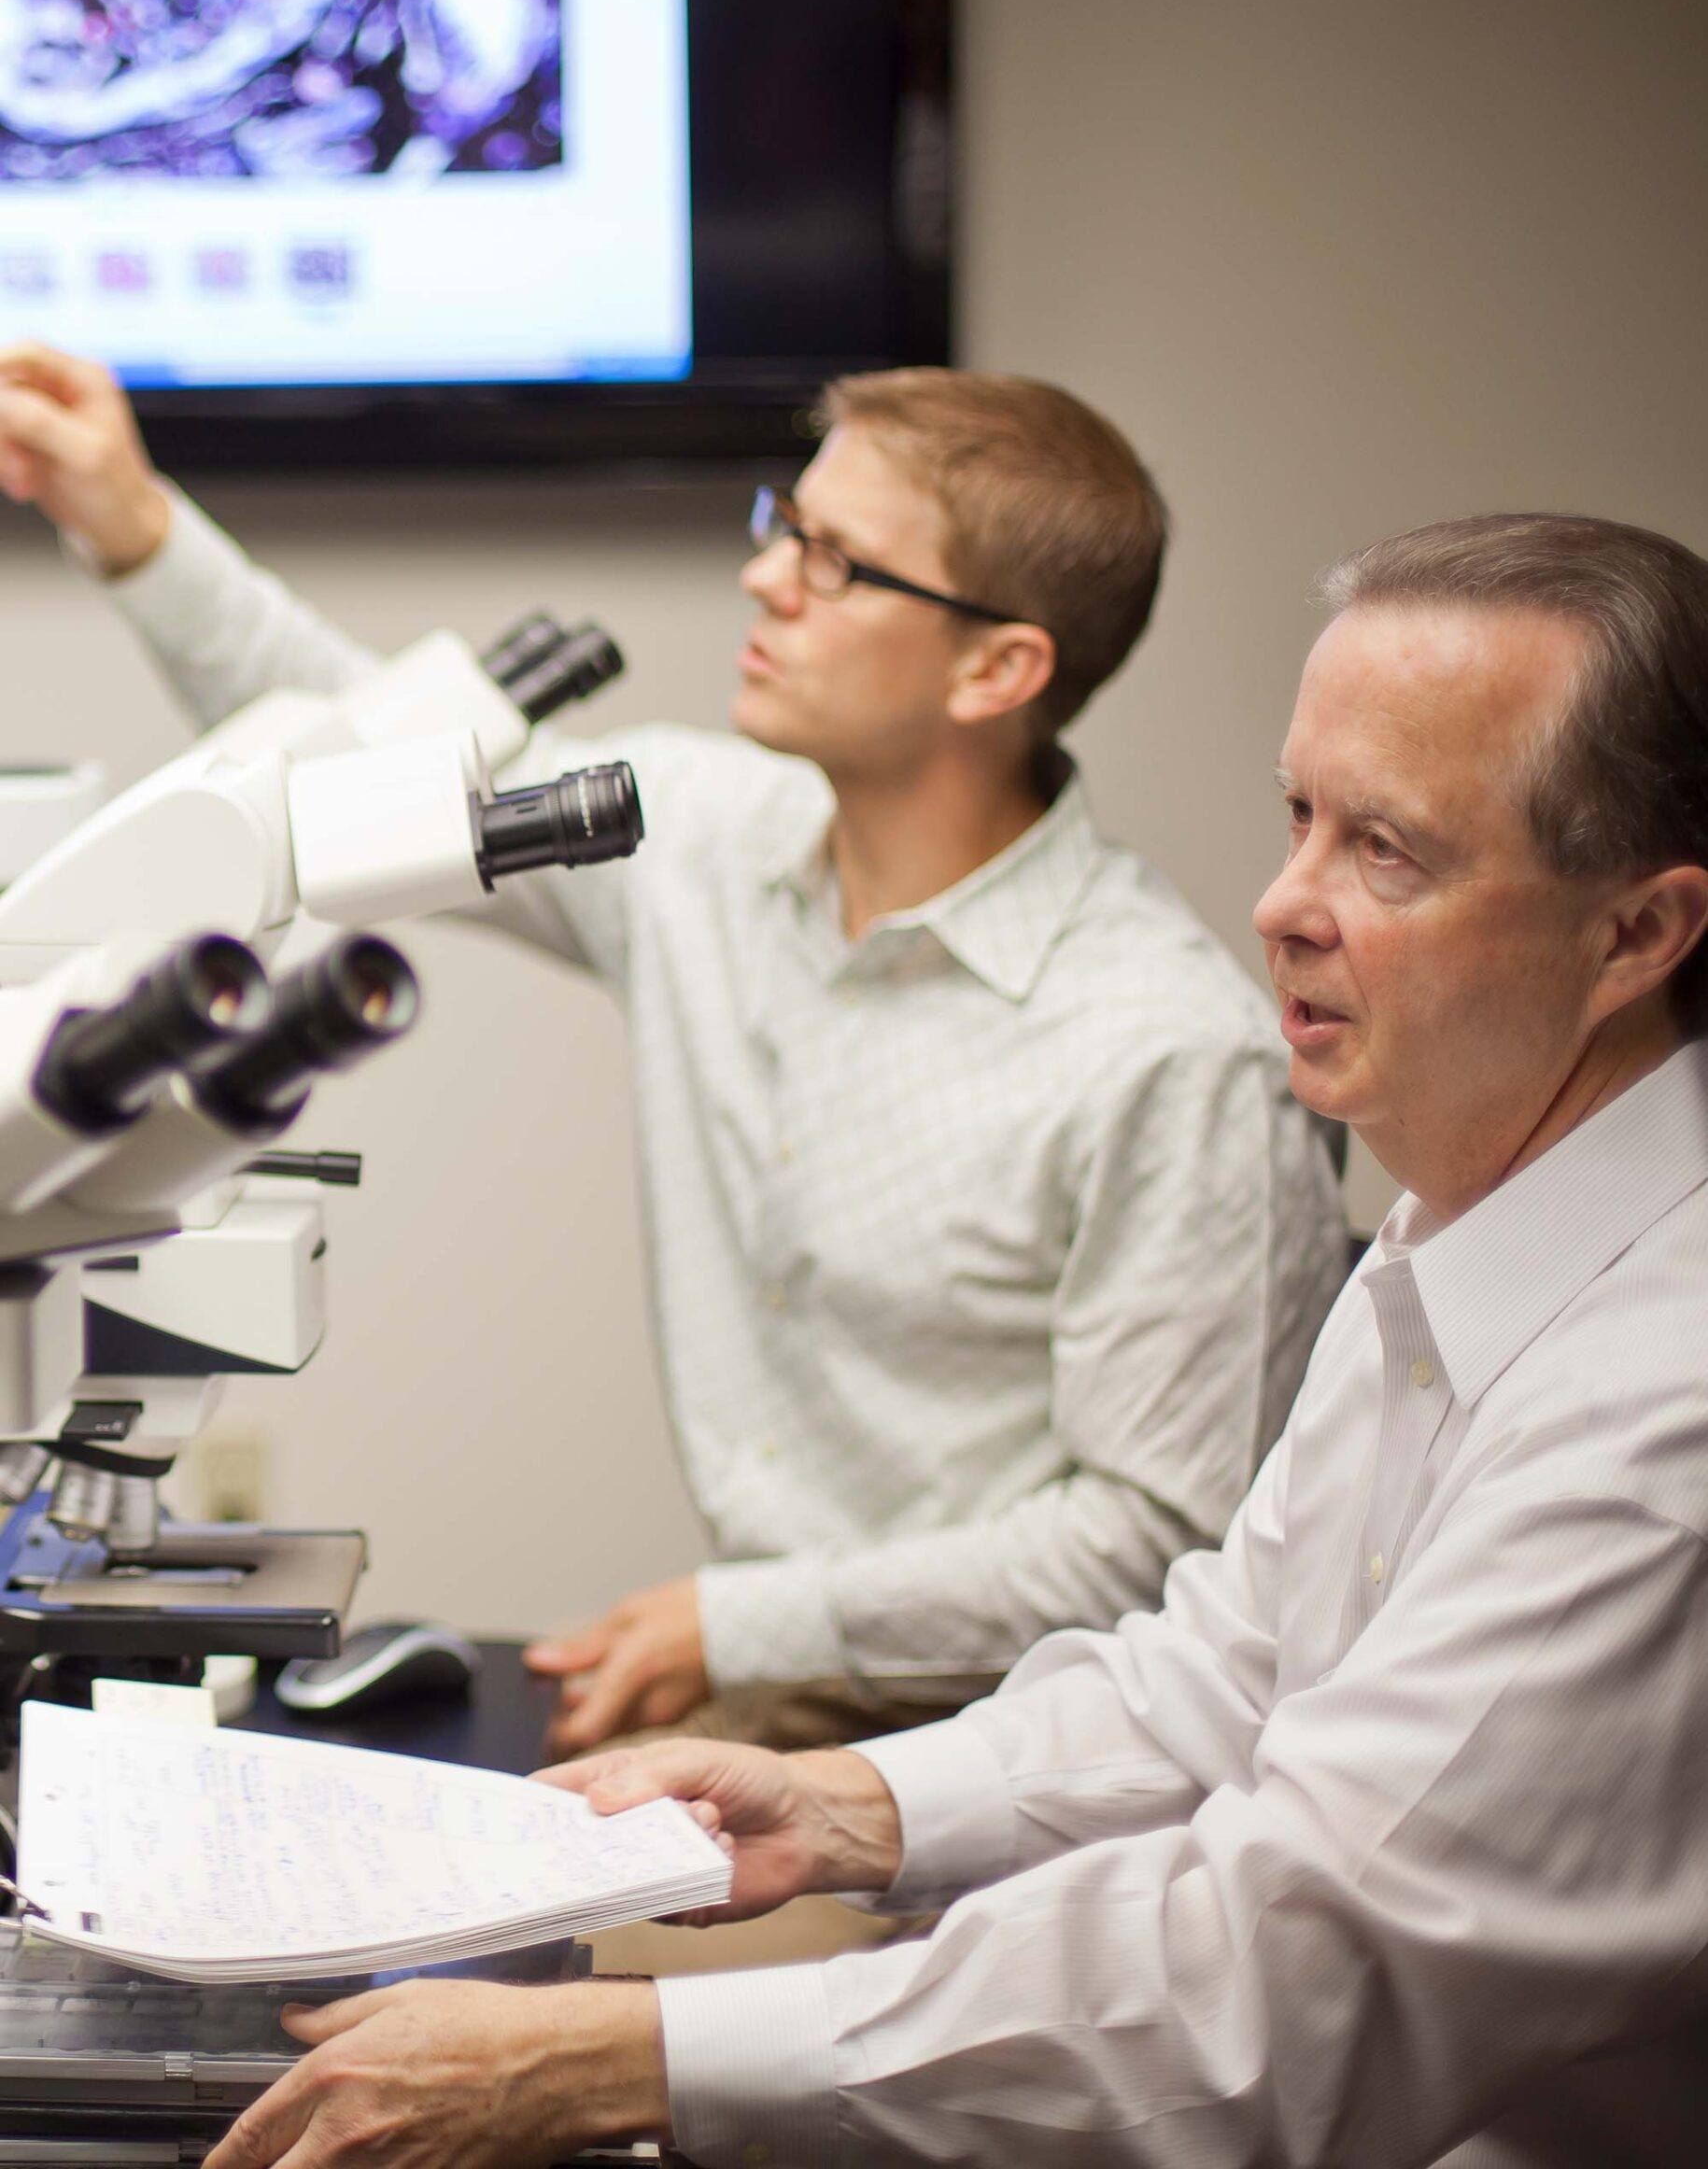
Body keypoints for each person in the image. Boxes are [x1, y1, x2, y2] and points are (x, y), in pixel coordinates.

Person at [203, 510, 1708, 2168]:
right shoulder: (1462, 1227)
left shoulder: (1654, 1405)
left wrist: (612, 2058)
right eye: (1298, 818)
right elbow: (1225, 1669)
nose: (1282, 903)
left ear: (1637, 934)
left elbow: (1270, 1986)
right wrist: (848, 1809)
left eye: (1388, 853)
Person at [0, 343, 1346, 1762]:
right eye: (787, 526)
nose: (765, 579)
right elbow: (346, 786)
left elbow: (1155, 1548)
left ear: (998, 667)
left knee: (475, 1969)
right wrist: (128, 520)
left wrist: (732, 1626)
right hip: (773, 1712)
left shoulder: (1169, 1055)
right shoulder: (704, 831)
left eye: (836, 564)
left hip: (1048, 1754)